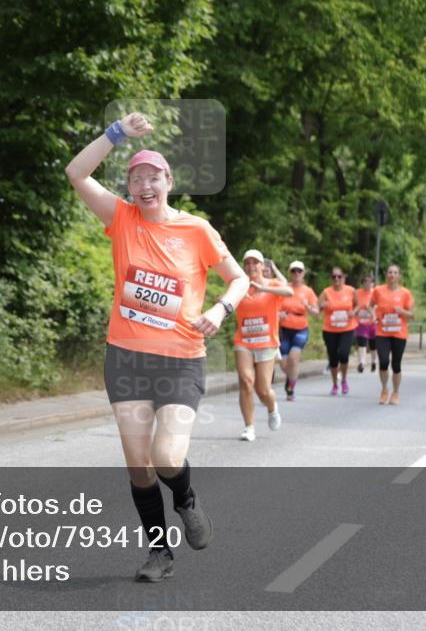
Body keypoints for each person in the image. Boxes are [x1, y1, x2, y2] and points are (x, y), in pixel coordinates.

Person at [65, 112, 249, 583]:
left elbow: (239, 278)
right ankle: (159, 552)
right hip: (125, 359)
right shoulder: (121, 219)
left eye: (153, 177)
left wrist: (221, 309)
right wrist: (117, 132)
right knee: (140, 467)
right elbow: (76, 173)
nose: (144, 185)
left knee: (166, 457)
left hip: (181, 361)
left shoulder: (197, 230)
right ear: (129, 188)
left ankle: (186, 500)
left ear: (169, 181)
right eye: (136, 179)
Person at [234, 249, 293, 441]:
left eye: (255, 262)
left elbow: (289, 291)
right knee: (245, 381)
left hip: (267, 343)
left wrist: (263, 289)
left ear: (262, 266)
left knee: (263, 390)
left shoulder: (272, 284)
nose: (251, 266)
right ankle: (249, 427)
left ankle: (272, 407)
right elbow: (226, 299)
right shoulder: (239, 285)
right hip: (243, 341)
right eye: (247, 263)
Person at [370, 264, 415, 405]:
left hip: (399, 333)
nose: (392, 275)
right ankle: (384, 389)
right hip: (382, 332)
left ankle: (395, 392)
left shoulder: (405, 293)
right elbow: (371, 305)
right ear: (386, 275)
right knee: (383, 362)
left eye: (395, 273)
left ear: (399, 276)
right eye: (390, 272)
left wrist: (402, 311)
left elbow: (412, 315)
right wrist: (373, 315)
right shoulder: (378, 290)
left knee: (396, 365)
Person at [278, 260, 319, 401]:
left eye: (299, 271)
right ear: (290, 273)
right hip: (284, 329)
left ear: (303, 273)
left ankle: (291, 388)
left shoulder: (308, 291)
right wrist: (278, 314)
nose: (296, 273)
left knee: (293, 359)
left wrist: (308, 307)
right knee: (283, 363)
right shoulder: (284, 288)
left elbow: (316, 313)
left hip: (300, 329)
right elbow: (274, 306)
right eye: (294, 271)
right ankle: (291, 377)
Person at [318, 267, 358, 395]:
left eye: (339, 276)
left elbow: (358, 305)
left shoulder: (351, 290)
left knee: (344, 354)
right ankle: (335, 383)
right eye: (334, 276)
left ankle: (344, 379)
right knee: (333, 358)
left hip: (347, 328)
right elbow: (317, 308)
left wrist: (354, 312)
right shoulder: (326, 292)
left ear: (344, 277)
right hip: (330, 329)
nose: (336, 279)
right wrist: (322, 306)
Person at [355, 274, 378, 374]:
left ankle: (374, 362)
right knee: (362, 343)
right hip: (361, 322)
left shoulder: (376, 293)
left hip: (373, 323)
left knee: (373, 345)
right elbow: (353, 304)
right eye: (366, 281)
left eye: (370, 281)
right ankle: (361, 363)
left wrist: (372, 309)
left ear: (373, 283)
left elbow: (381, 306)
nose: (368, 283)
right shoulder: (358, 292)